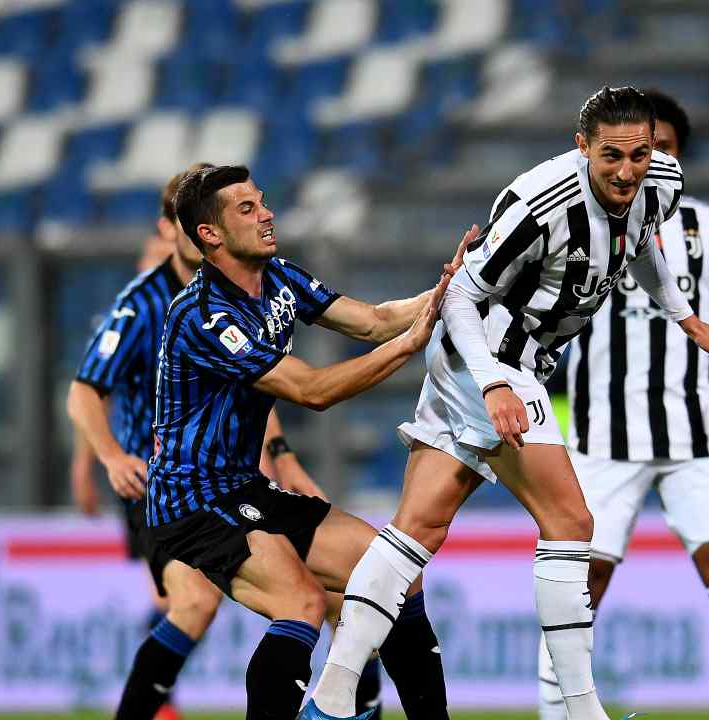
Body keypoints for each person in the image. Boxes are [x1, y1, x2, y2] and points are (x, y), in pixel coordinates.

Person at [307, 86, 709, 720]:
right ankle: (582, 711)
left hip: (511, 365)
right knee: (571, 523)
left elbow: (642, 247)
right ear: (582, 148)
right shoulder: (538, 205)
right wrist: (492, 383)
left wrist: (690, 323)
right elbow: (460, 295)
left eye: (640, 154)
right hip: (486, 357)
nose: (628, 171)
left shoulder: (659, 183)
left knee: (416, 533)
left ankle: (327, 701)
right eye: (611, 157)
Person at [145, 164, 468, 720]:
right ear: (210, 235)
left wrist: (455, 285)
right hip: (191, 501)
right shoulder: (201, 315)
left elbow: (372, 321)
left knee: (397, 575)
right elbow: (310, 390)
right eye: (246, 209)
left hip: (243, 486)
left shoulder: (279, 277)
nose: (266, 213)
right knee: (302, 604)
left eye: (262, 201)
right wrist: (408, 347)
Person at [68, 164, 359, 720]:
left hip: (231, 481)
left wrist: (280, 457)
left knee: (334, 596)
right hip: (164, 484)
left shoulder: (246, 287)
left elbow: (255, 390)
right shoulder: (143, 304)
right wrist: (101, 458)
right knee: (197, 603)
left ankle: (343, 703)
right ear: (173, 228)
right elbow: (85, 392)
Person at [537, 89, 709, 720]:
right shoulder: (582, 218)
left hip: (696, 436)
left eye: (661, 150)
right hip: (600, 435)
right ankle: (555, 709)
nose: (643, 165)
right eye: (636, 151)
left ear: (675, 156)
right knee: (582, 583)